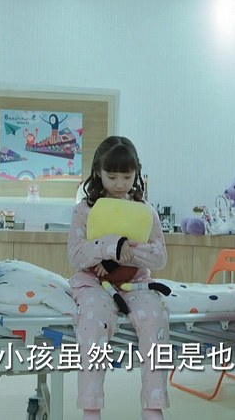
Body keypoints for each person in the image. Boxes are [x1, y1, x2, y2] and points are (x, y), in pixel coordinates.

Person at [67, 136, 170, 420]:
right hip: (93, 284)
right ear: (98, 173)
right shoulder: (84, 210)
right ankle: (91, 407)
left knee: (155, 316)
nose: (120, 184)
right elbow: (76, 255)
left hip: (135, 284)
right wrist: (111, 245)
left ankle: (153, 406)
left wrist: (128, 251)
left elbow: (160, 257)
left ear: (137, 174)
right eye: (112, 176)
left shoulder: (146, 211)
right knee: (93, 320)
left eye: (127, 176)